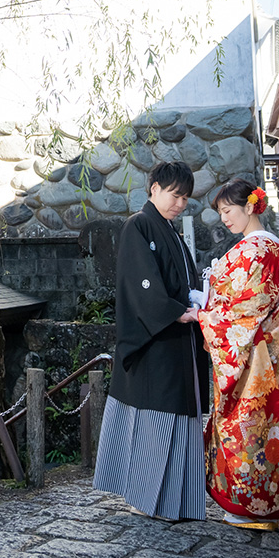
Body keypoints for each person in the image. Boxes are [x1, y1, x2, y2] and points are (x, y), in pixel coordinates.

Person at [197, 178, 279, 531]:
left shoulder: (254, 250)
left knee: (245, 428)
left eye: (228, 210)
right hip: (257, 350)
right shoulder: (264, 248)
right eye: (220, 213)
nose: (225, 219)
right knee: (261, 427)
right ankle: (261, 506)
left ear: (250, 207)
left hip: (247, 350)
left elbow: (243, 310)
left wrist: (204, 313)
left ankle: (250, 505)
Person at [92, 161, 209, 521]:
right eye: (175, 195)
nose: (180, 203)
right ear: (154, 187)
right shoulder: (139, 226)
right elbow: (140, 284)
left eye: (186, 198)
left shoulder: (170, 231)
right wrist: (174, 311)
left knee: (176, 420)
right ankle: (145, 500)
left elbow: (183, 281)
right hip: (156, 341)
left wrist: (196, 301)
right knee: (156, 421)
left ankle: (176, 502)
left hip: (177, 339)